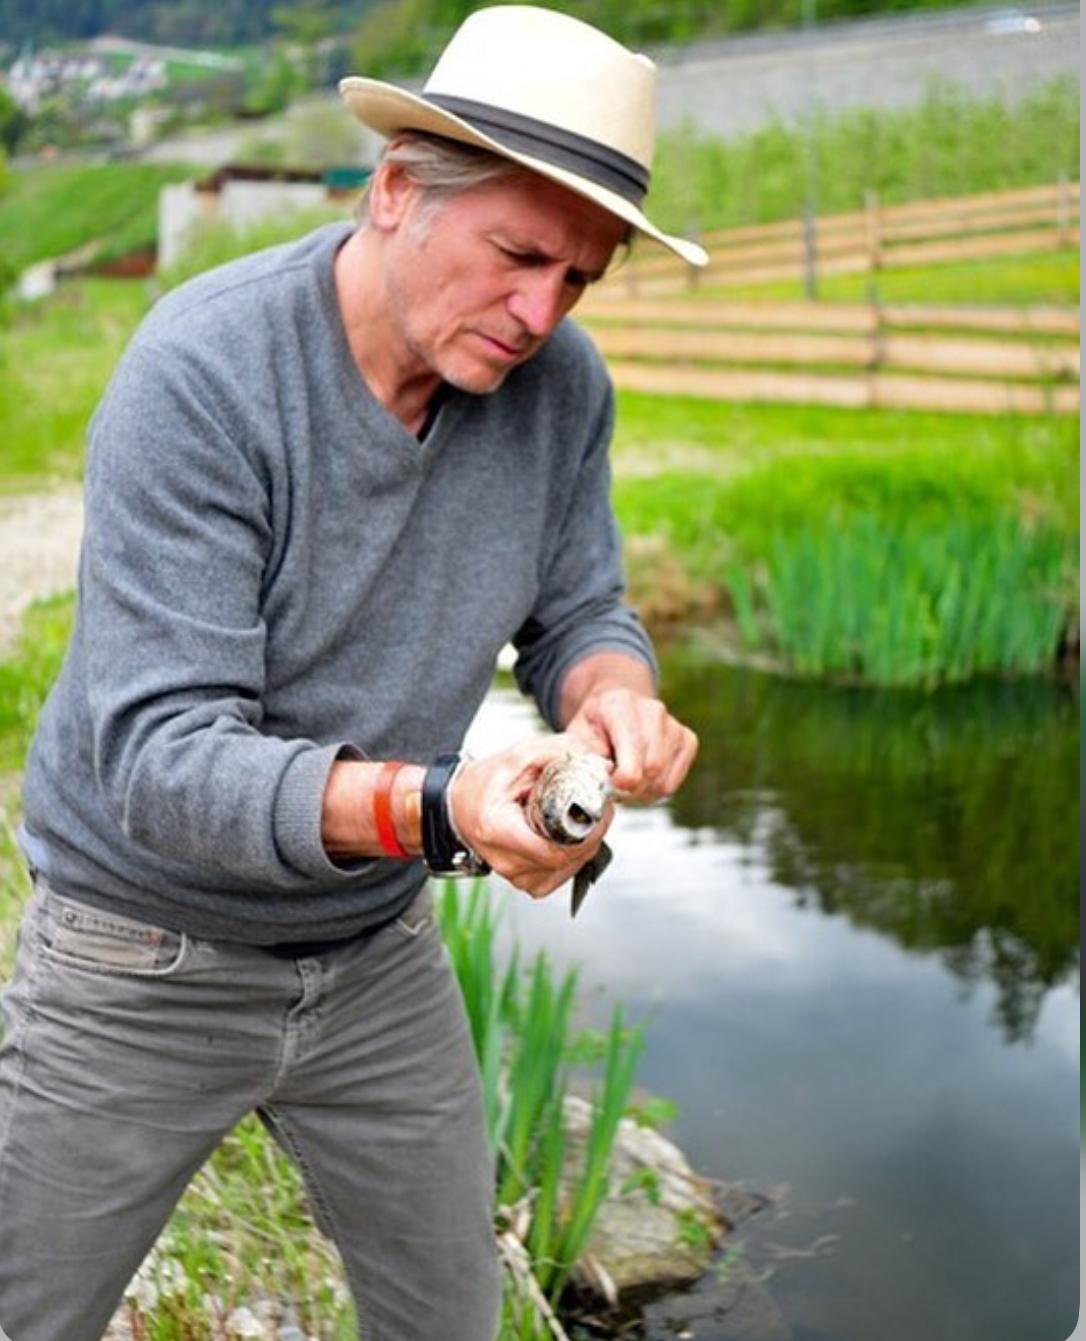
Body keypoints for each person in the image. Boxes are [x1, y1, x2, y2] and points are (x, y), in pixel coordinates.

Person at [0, 8, 706, 1341]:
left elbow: (579, 608)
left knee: (448, 1317)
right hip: (141, 950)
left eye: (579, 278)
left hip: (373, 951)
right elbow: (163, 761)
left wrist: (612, 693)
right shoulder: (203, 374)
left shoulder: (563, 388)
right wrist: (447, 807)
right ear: (394, 190)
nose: (540, 314)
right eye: (517, 255)